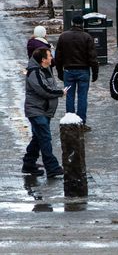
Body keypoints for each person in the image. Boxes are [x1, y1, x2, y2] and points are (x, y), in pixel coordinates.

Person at [21, 47, 67, 178]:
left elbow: (50, 86)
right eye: (49, 56)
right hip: (36, 111)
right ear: (43, 59)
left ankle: (28, 163)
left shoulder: (45, 70)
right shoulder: (34, 72)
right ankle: (52, 167)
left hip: (44, 111)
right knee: (45, 138)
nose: (51, 58)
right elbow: (43, 90)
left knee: (38, 138)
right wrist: (60, 93)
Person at [54, 15, 99, 131]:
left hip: (68, 71)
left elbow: (58, 57)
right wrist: (95, 73)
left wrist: (59, 72)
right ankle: (81, 123)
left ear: (72, 23)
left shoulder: (63, 36)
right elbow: (92, 58)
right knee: (82, 97)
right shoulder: (87, 37)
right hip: (83, 71)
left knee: (69, 96)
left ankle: (70, 123)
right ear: (82, 24)